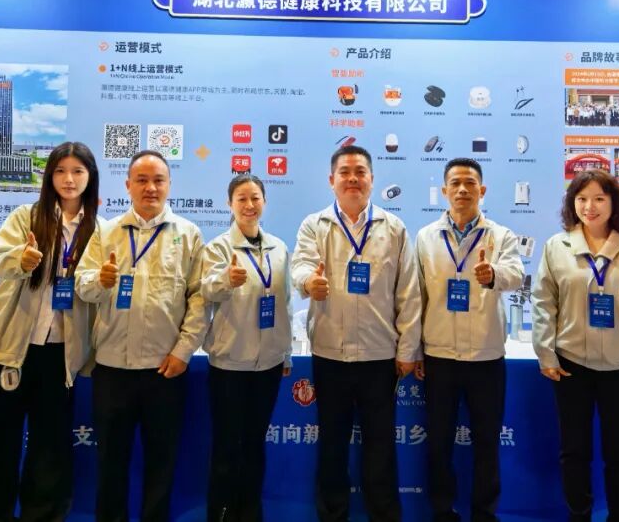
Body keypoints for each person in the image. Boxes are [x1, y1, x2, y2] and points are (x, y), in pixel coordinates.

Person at [531, 169, 619, 522]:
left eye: (598, 198)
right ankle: (578, 516)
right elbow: (544, 303)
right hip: (571, 366)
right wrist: (546, 353)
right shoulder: (557, 247)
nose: (589, 207)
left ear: (614, 203)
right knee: (574, 453)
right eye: (581, 199)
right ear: (572, 204)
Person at [0, 142, 102, 522]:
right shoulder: (26, 216)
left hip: (60, 353)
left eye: (77, 171)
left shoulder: (99, 229)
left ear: (90, 177)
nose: (69, 179)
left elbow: (94, 289)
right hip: (10, 348)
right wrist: (21, 259)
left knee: (51, 450)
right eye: (60, 171)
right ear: (49, 177)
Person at [291, 145, 422, 522]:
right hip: (330, 354)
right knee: (332, 444)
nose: (352, 179)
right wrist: (308, 282)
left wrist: (407, 349)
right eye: (345, 172)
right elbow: (300, 265)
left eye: (360, 172)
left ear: (372, 180)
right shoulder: (315, 225)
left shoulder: (393, 228)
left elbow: (408, 292)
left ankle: (384, 515)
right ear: (331, 180)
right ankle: (332, 515)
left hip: (380, 357)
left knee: (380, 446)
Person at [76, 150, 206, 522]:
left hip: (164, 370)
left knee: (161, 464)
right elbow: (82, 285)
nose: (150, 188)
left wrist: (183, 351)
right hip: (112, 369)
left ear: (169, 185)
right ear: (128, 185)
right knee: (110, 463)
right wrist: (98, 281)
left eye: (158, 180)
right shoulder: (105, 232)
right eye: (142, 180)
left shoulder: (188, 234)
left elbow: (199, 299)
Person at [413, 158, 524, 522]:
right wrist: (414, 349)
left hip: (485, 356)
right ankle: (442, 511)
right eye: (456, 183)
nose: (463, 189)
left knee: (487, 442)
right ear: (444, 190)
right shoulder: (426, 237)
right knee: (439, 442)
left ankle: (484, 513)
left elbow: (515, 274)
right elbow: (417, 297)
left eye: (470, 183)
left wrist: (493, 274)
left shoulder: (501, 236)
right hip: (439, 355)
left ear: (482, 190)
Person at [200, 174, 293, 522]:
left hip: (268, 365)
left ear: (264, 202)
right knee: (227, 446)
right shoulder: (218, 248)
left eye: (255, 198)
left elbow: (284, 303)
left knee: (254, 444)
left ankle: (251, 513)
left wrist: (285, 352)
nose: (249, 205)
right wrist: (226, 280)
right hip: (229, 364)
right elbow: (206, 290)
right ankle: (222, 514)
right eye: (241, 198)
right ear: (230, 204)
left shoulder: (279, 248)